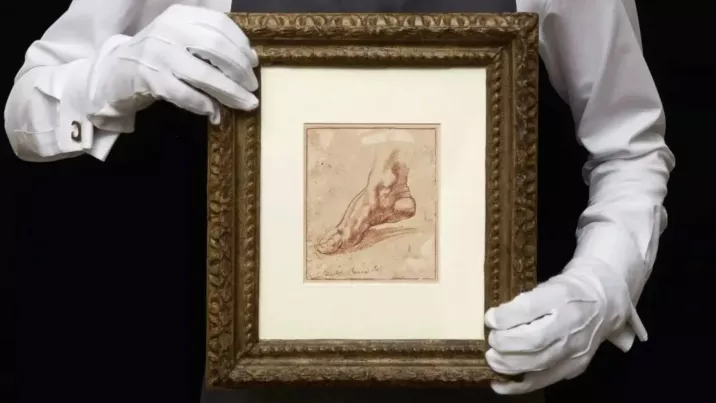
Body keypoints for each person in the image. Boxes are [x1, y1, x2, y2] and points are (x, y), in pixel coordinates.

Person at [4, 0, 673, 401]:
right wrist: (119, 73)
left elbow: (631, 148)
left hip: (490, 380)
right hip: (257, 383)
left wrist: (602, 285)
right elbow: (27, 107)